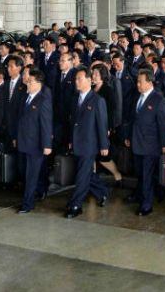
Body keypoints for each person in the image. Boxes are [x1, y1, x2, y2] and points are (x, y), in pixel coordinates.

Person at [65, 65, 110, 218]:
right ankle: (102, 192)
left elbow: (102, 124)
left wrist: (104, 145)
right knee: (86, 174)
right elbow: (72, 123)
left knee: (81, 175)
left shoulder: (98, 100)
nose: (76, 81)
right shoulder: (74, 99)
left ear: (89, 80)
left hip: (89, 143)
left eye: (79, 79)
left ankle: (76, 204)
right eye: (76, 79)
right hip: (77, 142)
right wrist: (71, 140)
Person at [124, 68, 165, 216]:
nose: (138, 84)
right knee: (140, 173)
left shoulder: (158, 99)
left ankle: (146, 205)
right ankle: (144, 195)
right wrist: (128, 137)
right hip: (136, 143)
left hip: (151, 145)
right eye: (137, 81)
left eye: (140, 82)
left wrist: (164, 145)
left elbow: (163, 125)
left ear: (149, 82)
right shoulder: (137, 97)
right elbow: (132, 119)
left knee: (147, 175)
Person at [14, 68, 53, 213]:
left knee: (31, 175)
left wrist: (47, 145)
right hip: (24, 141)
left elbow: (46, 123)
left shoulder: (43, 100)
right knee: (25, 173)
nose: (27, 84)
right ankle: (34, 194)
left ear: (38, 83)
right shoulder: (25, 97)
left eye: (30, 82)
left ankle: (27, 204)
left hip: (36, 144)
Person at [92, 65, 123, 185]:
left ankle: (117, 174)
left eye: (95, 74)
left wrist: (109, 128)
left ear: (102, 76)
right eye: (93, 73)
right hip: (92, 127)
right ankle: (93, 182)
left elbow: (111, 111)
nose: (93, 76)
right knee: (92, 156)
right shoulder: (92, 89)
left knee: (103, 157)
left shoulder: (108, 90)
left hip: (103, 127)